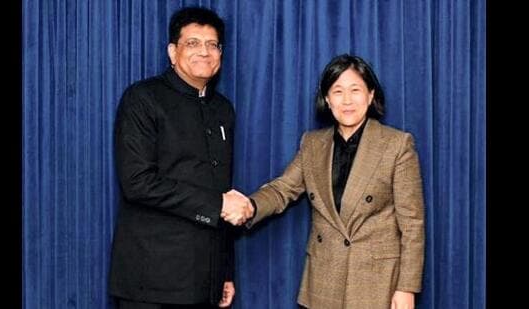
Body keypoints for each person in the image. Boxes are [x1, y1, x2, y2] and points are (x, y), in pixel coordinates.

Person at [234, 54, 425, 308]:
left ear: (370, 95)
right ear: (327, 99)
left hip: (377, 282)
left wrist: (406, 287)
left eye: (355, 90)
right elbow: (283, 189)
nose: (347, 100)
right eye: (337, 91)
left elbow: (412, 224)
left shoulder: (397, 144)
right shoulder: (312, 144)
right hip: (325, 279)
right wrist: (250, 206)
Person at [109, 7, 253, 309]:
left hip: (205, 282)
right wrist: (218, 205)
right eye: (193, 43)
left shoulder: (223, 109)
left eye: (213, 45)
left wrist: (224, 272)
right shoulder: (142, 99)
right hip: (150, 282)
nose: (205, 51)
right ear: (173, 52)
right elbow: (138, 183)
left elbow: (221, 188)